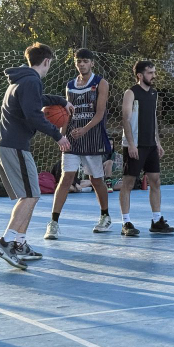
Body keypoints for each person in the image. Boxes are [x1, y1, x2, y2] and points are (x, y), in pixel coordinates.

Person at [0, 43, 73, 269]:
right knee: (29, 196)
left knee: (31, 195)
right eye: (50, 64)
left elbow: (36, 101)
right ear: (46, 61)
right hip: (14, 145)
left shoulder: (23, 80)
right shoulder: (31, 81)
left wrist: (59, 100)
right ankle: (6, 242)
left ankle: (20, 243)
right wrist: (58, 136)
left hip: (8, 144)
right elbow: (34, 114)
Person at [44, 49, 113, 240]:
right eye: (78, 61)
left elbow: (99, 114)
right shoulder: (70, 86)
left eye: (85, 61)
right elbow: (66, 113)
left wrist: (85, 129)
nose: (81, 64)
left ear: (92, 63)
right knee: (66, 178)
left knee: (96, 180)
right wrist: (61, 136)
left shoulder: (101, 83)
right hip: (72, 138)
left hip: (92, 137)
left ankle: (105, 216)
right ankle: (54, 222)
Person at [119, 60, 174, 236]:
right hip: (135, 144)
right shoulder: (131, 93)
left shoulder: (153, 93)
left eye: (154, 72)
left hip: (150, 144)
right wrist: (131, 144)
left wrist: (157, 142)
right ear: (140, 75)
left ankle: (156, 220)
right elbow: (125, 119)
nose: (154, 75)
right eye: (150, 73)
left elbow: (153, 119)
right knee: (128, 183)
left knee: (155, 181)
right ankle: (126, 223)